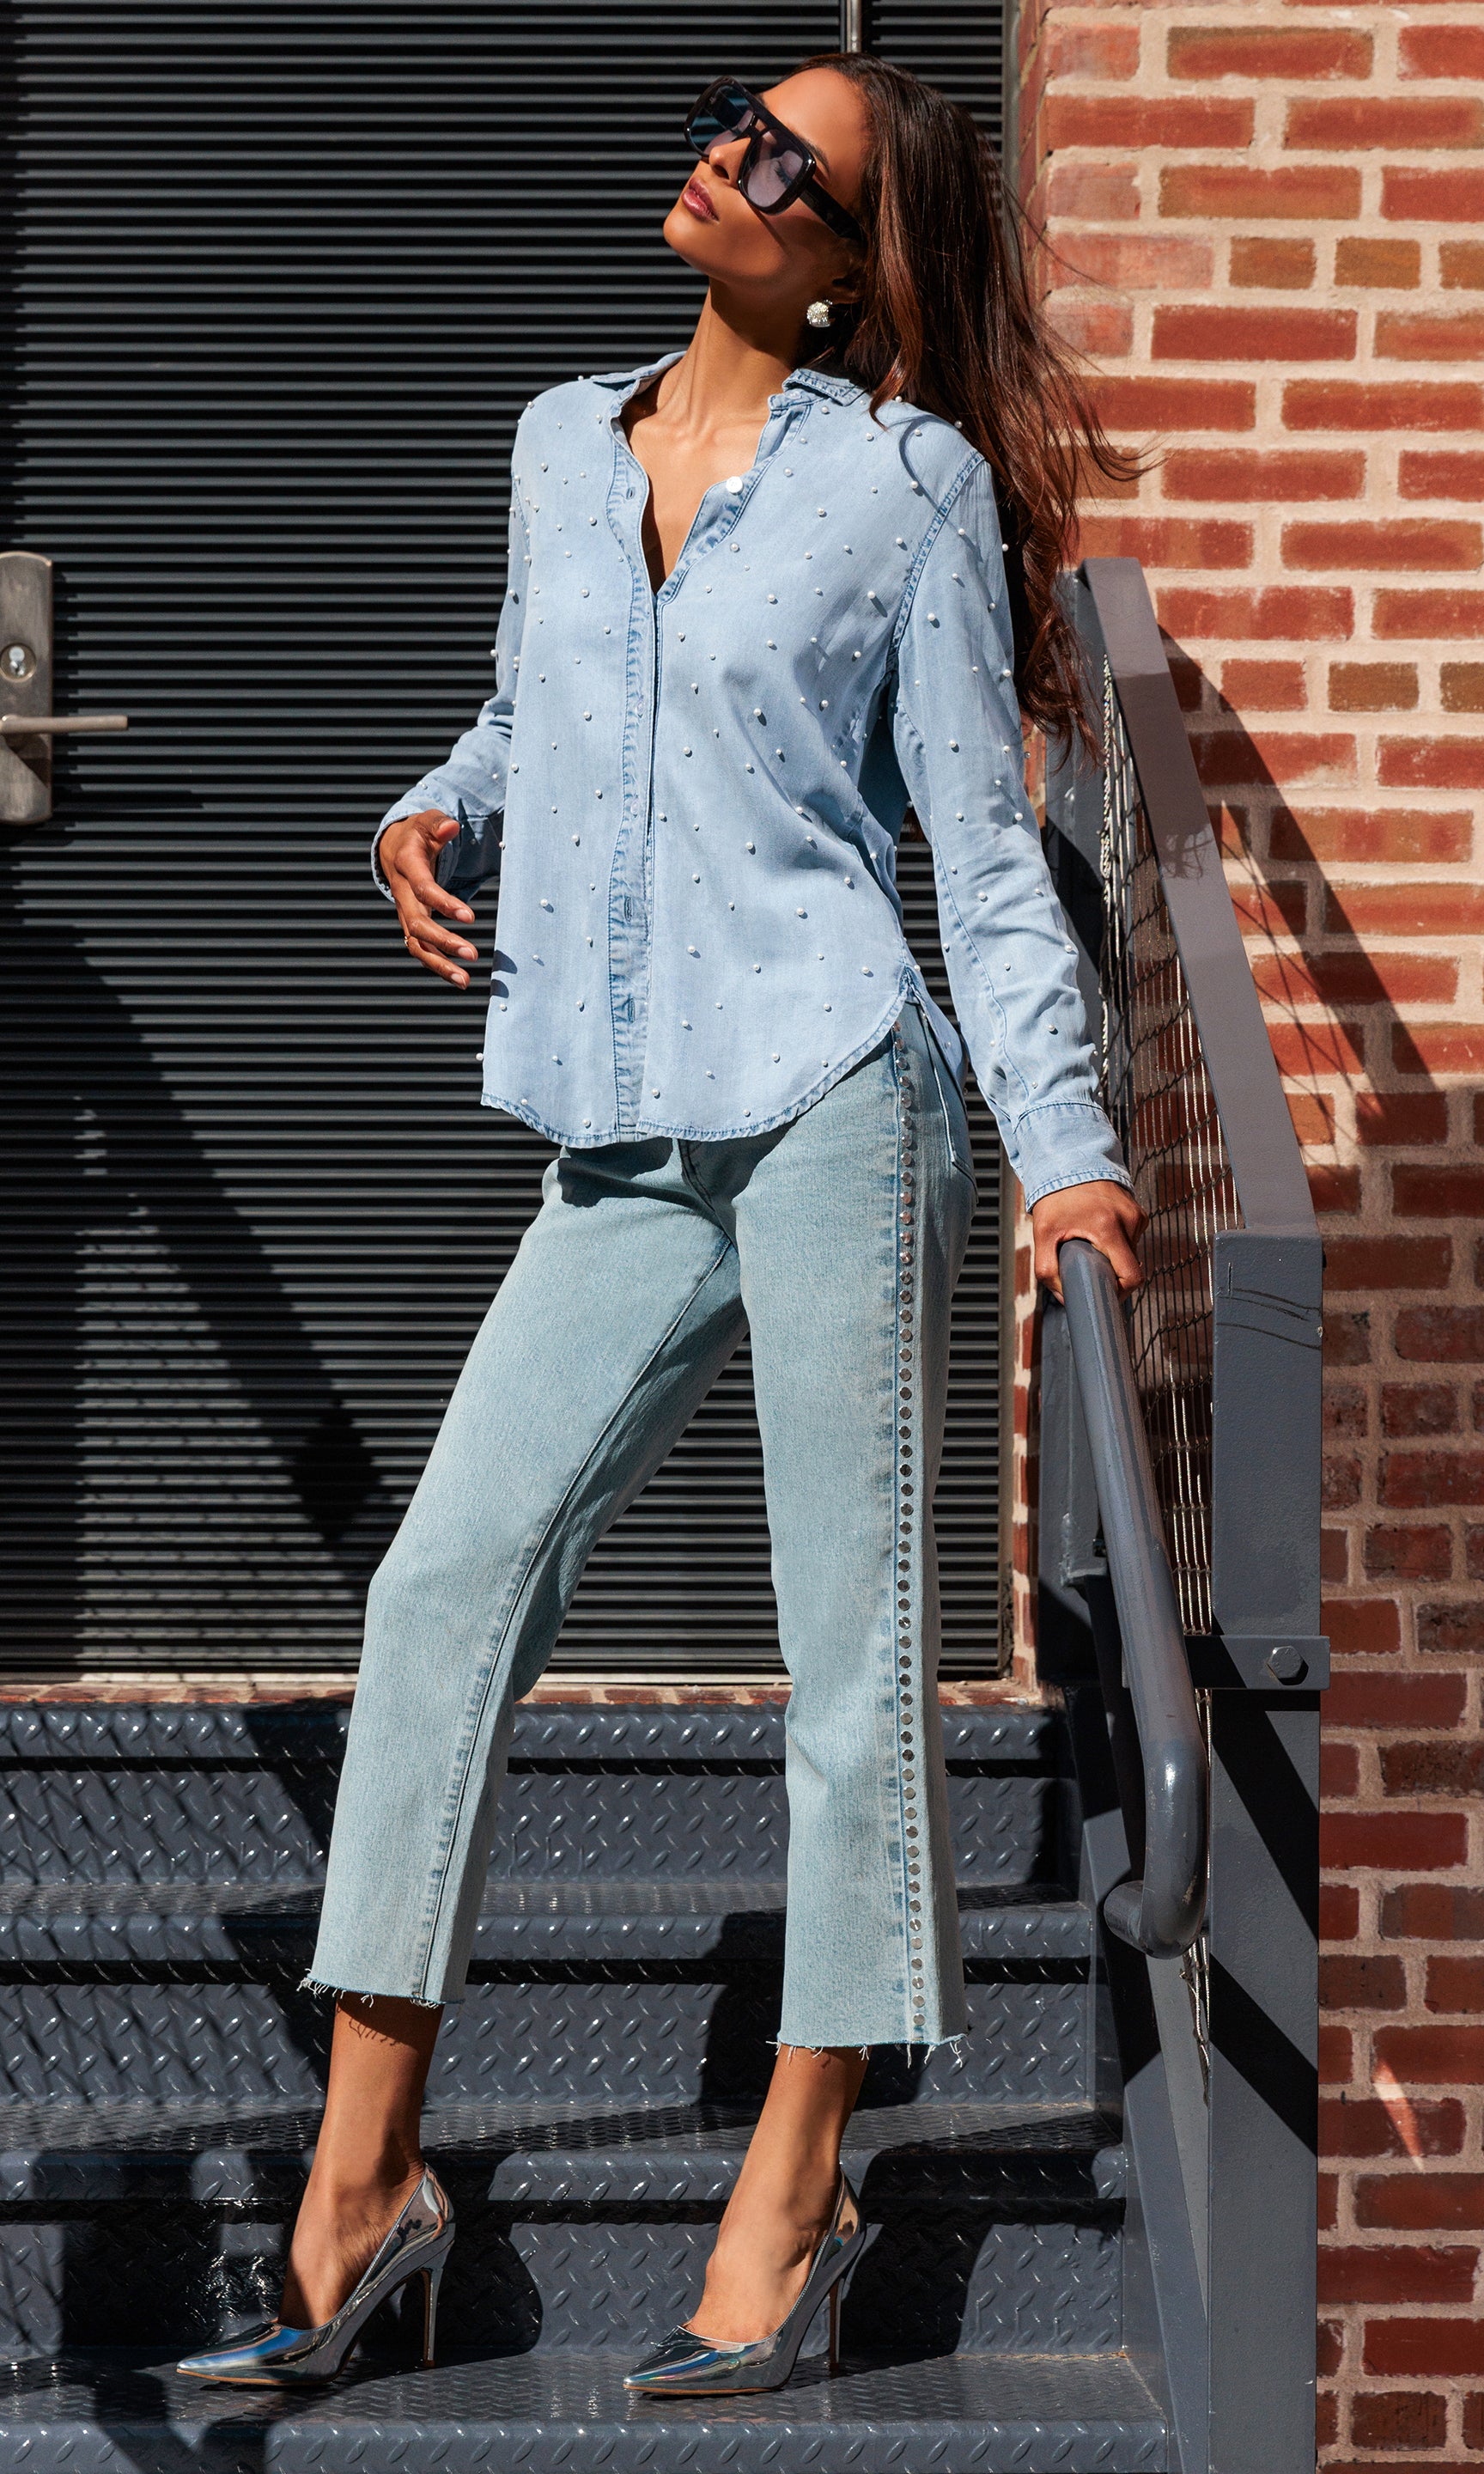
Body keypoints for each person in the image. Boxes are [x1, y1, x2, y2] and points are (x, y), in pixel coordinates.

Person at [177, 51, 1142, 2397]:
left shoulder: (903, 488)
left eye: (786, 160)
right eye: (736, 116)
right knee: (437, 1592)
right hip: (617, 1129)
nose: (729, 157)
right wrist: (429, 805)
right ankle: (364, 2191)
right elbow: (543, 719)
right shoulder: (554, 440)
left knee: (849, 1663)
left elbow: (974, 842)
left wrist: (1071, 1148)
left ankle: (796, 2184)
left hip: (828, 1091)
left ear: (847, 264)